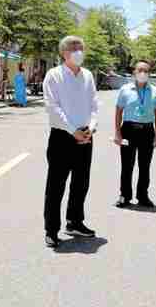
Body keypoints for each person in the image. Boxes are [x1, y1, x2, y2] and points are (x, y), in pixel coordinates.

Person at [43, 35, 99, 248]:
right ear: (63, 53)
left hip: (85, 136)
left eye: (81, 47)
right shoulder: (54, 75)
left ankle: (75, 222)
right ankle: (51, 230)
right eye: (74, 48)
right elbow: (53, 107)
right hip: (62, 137)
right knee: (56, 186)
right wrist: (72, 130)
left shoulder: (87, 76)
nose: (79, 51)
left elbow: (94, 105)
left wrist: (91, 128)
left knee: (81, 183)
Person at [114, 60, 156, 209]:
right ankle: (124, 196)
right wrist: (117, 132)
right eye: (140, 70)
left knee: (144, 166)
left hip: (147, 131)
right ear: (134, 72)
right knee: (127, 166)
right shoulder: (125, 89)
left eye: (146, 71)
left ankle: (143, 196)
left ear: (149, 74)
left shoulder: (155, 91)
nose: (143, 73)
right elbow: (118, 111)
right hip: (128, 129)